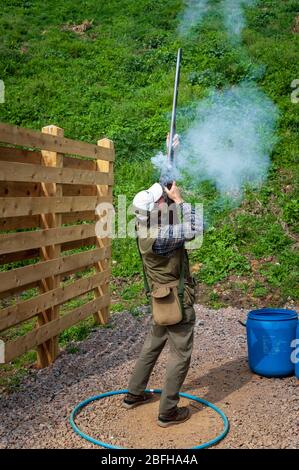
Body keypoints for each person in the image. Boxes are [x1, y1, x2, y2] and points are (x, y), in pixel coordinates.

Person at [123, 135, 203, 427]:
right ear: (157, 208)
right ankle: (168, 411)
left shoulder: (145, 223)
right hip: (176, 299)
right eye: (163, 200)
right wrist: (181, 201)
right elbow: (196, 228)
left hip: (160, 297)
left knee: (152, 344)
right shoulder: (161, 237)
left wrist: (172, 152)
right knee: (181, 353)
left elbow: (163, 187)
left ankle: (133, 393)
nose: (166, 197)